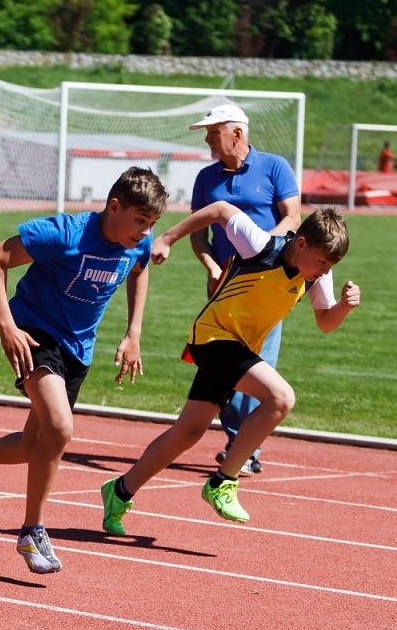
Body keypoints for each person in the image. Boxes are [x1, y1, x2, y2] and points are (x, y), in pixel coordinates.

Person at [0, 167, 161, 575]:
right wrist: (7, 328)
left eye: (152, 224)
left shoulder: (137, 242)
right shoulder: (64, 233)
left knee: (33, 445)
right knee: (61, 427)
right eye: (140, 221)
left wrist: (133, 332)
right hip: (35, 334)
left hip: (77, 349)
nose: (145, 232)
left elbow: (140, 270)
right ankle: (31, 531)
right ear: (114, 207)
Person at [100, 203, 360, 534]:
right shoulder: (261, 246)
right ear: (302, 243)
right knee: (280, 398)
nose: (325, 270)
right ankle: (224, 481)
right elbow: (222, 210)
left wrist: (343, 307)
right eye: (322, 262)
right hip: (212, 338)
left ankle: (119, 491)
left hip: (237, 348)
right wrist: (167, 237)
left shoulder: (316, 274)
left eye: (332, 265)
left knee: (189, 431)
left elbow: (325, 323)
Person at [186, 103, 301, 475]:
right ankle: (239, 442)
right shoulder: (205, 178)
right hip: (223, 288)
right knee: (227, 368)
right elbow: (198, 234)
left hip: (266, 286)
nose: (208, 141)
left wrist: (263, 252)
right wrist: (212, 265)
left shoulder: (275, 166)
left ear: (237, 133)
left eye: (213, 133)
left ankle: (244, 448)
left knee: (258, 364)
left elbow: (293, 217)